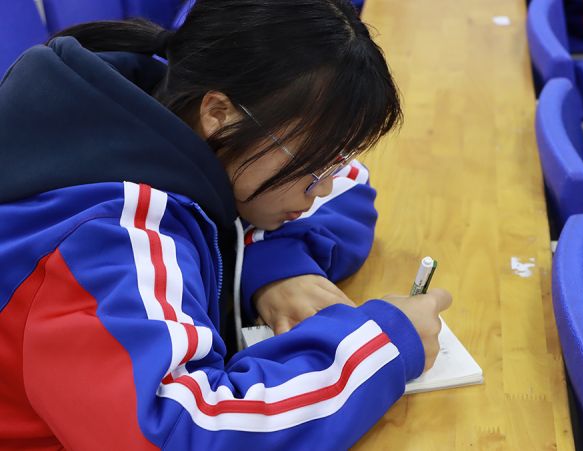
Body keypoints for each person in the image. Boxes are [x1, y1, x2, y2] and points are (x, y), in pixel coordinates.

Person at [0, 0, 452, 449]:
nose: (322, 188)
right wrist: (385, 346)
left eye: (331, 161)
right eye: (314, 164)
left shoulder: (165, 115)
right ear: (219, 114)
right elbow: (177, 434)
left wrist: (275, 263)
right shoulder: (107, 242)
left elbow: (351, 182)